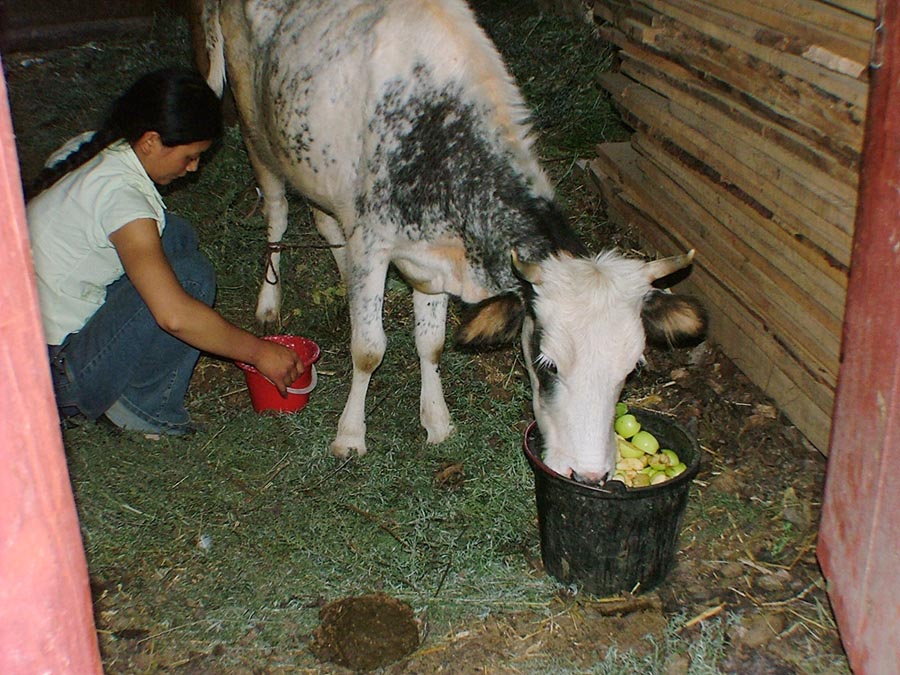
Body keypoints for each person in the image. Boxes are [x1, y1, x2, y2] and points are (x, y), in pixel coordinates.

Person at [26, 67, 304, 436]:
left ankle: (131, 388)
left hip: (26, 344)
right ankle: (147, 409)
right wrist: (257, 352)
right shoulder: (124, 200)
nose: (193, 169)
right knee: (189, 280)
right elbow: (174, 316)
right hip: (54, 380)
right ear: (151, 141)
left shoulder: (93, 147)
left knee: (174, 235)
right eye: (190, 156)